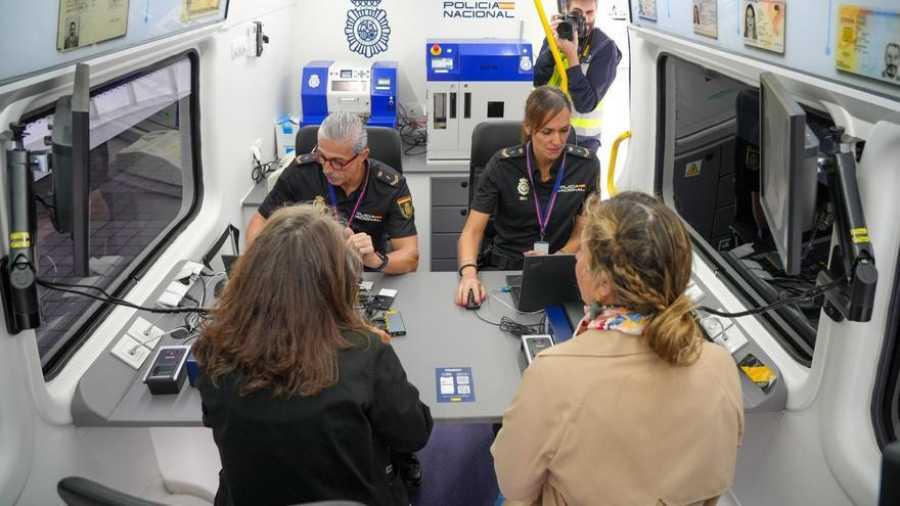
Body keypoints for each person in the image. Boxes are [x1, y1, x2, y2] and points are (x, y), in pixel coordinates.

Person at [492, 192, 744, 506]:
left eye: (581, 252)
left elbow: (514, 484)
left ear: (602, 285)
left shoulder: (553, 375)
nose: (576, 260)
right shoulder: (720, 366)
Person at [196, 205, 433, 506]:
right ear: (334, 281)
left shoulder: (213, 351)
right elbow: (414, 434)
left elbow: (216, 419)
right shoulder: (366, 353)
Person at [455, 86, 599, 306]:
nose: (557, 141)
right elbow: (472, 231)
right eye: (547, 132)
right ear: (529, 127)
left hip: (560, 266)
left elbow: (583, 232)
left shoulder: (585, 165)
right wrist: (468, 274)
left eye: (564, 130)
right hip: (505, 268)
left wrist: (555, 260)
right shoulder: (503, 165)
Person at [247, 111, 419, 274]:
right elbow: (260, 221)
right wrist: (265, 262)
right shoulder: (301, 172)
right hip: (309, 271)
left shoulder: (390, 186)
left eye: (338, 162)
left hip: (364, 271)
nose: (327, 169)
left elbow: (410, 256)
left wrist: (374, 260)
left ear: (362, 155)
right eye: (321, 156)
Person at [533, 0, 621, 154]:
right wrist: (552, 48)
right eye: (578, 12)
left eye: (590, 13)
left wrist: (572, 56)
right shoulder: (557, 35)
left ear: (596, 11)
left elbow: (585, 103)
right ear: (566, 10)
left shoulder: (605, 48)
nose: (585, 19)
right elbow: (538, 81)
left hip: (582, 140)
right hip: (548, 131)